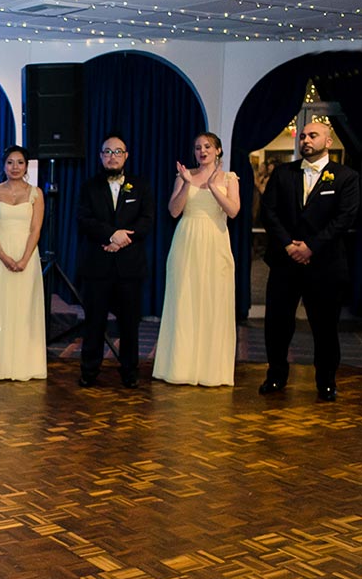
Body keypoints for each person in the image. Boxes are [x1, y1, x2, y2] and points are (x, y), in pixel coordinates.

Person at [260, 121, 360, 401]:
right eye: (302, 135)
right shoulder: (283, 173)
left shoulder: (346, 177)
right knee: (277, 325)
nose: (305, 140)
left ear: (328, 142)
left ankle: (326, 381)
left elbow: (345, 218)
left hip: (325, 265)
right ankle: (276, 376)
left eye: (313, 135)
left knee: (325, 327)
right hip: (284, 262)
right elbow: (269, 213)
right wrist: (289, 245)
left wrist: (311, 247)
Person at [152, 133, 239, 387]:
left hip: (215, 241)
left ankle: (211, 370)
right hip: (186, 241)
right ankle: (180, 367)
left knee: (214, 302)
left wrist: (213, 187)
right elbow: (174, 211)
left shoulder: (229, 178)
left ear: (218, 150)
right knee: (184, 301)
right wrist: (188, 183)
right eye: (198, 147)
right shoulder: (184, 176)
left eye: (207, 147)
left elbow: (233, 211)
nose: (202, 151)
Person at [76, 134, 156, 389]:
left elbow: (147, 219)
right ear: (100, 156)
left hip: (129, 267)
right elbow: (84, 220)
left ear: (126, 155)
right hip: (97, 266)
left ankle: (130, 371)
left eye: (117, 152)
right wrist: (111, 234)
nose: (112, 156)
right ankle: (89, 371)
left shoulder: (141, 186)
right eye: (107, 152)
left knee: (130, 324)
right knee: (94, 322)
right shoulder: (89, 187)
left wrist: (122, 239)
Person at [0, 145, 47, 381]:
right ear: (3, 165)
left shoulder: (35, 194)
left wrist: (24, 258)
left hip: (26, 256)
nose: (15, 167)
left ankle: (24, 365)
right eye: (10, 162)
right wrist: (4, 256)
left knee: (23, 309)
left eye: (19, 162)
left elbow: (36, 228)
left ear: (26, 166)